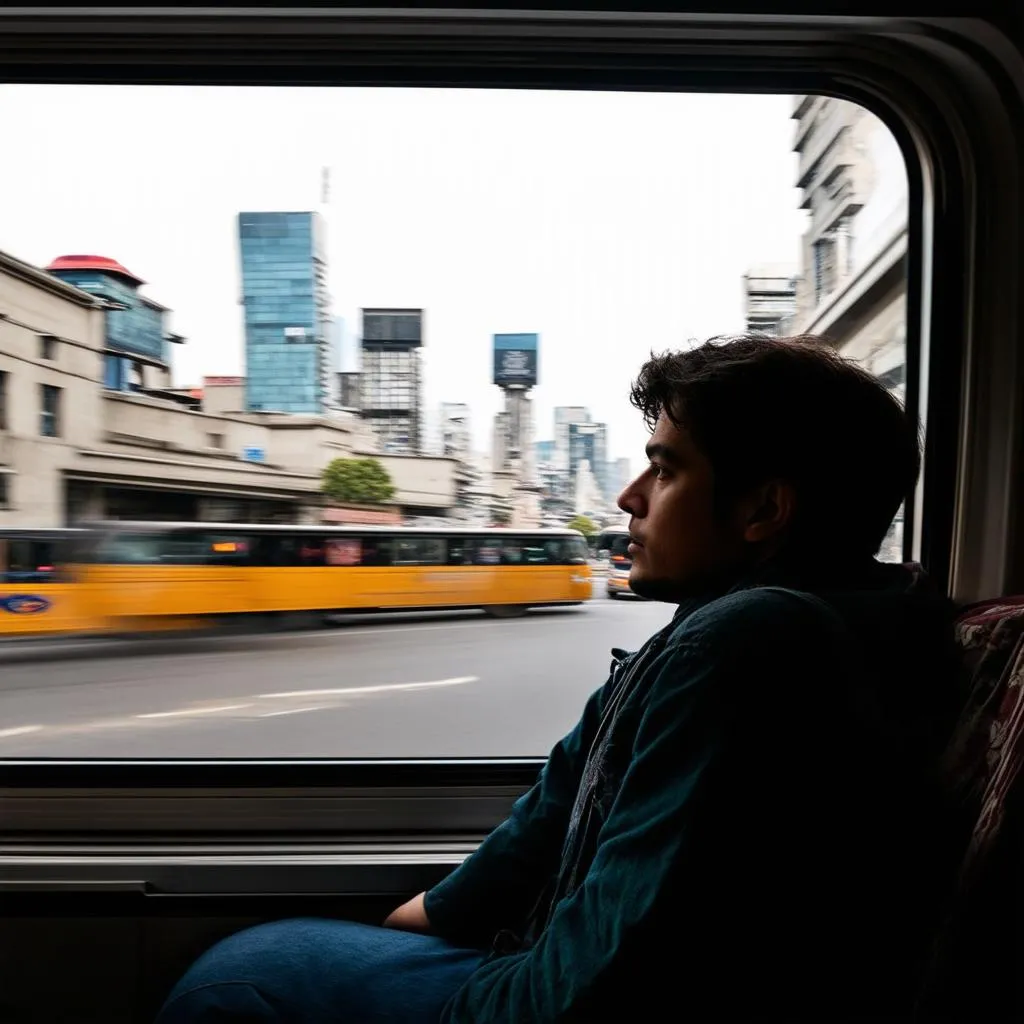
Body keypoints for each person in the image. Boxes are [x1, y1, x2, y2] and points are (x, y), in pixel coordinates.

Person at [156, 335, 962, 1023]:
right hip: (549, 962)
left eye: (666, 470)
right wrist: (426, 920)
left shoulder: (752, 641)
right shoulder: (736, 624)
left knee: (238, 982)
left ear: (764, 510)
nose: (628, 497)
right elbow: (548, 816)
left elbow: (600, 978)